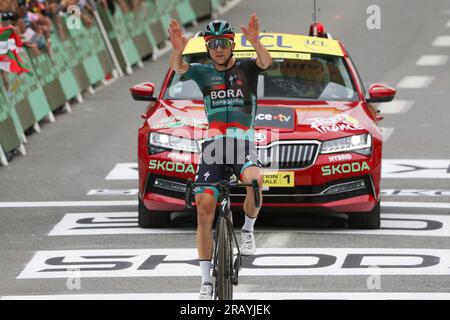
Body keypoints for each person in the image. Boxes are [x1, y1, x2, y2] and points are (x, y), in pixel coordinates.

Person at [168, 15, 272, 299]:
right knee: (204, 206)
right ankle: (205, 280)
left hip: (242, 143)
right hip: (214, 146)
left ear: (231, 45)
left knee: (255, 181)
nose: (217, 49)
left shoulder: (247, 68)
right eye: (212, 44)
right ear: (207, 46)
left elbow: (266, 62)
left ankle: (248, 229)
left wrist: (255, 42)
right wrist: (178, 49)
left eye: (223, 44)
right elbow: (178, 67)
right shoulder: (202, 72)